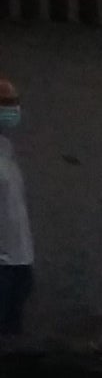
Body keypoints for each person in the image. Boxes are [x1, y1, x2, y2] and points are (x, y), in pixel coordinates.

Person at [0, 77, 29, 339]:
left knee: (12, 337)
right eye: (6, 103)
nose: (13, 109)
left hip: (19, 259)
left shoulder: (6, 149)